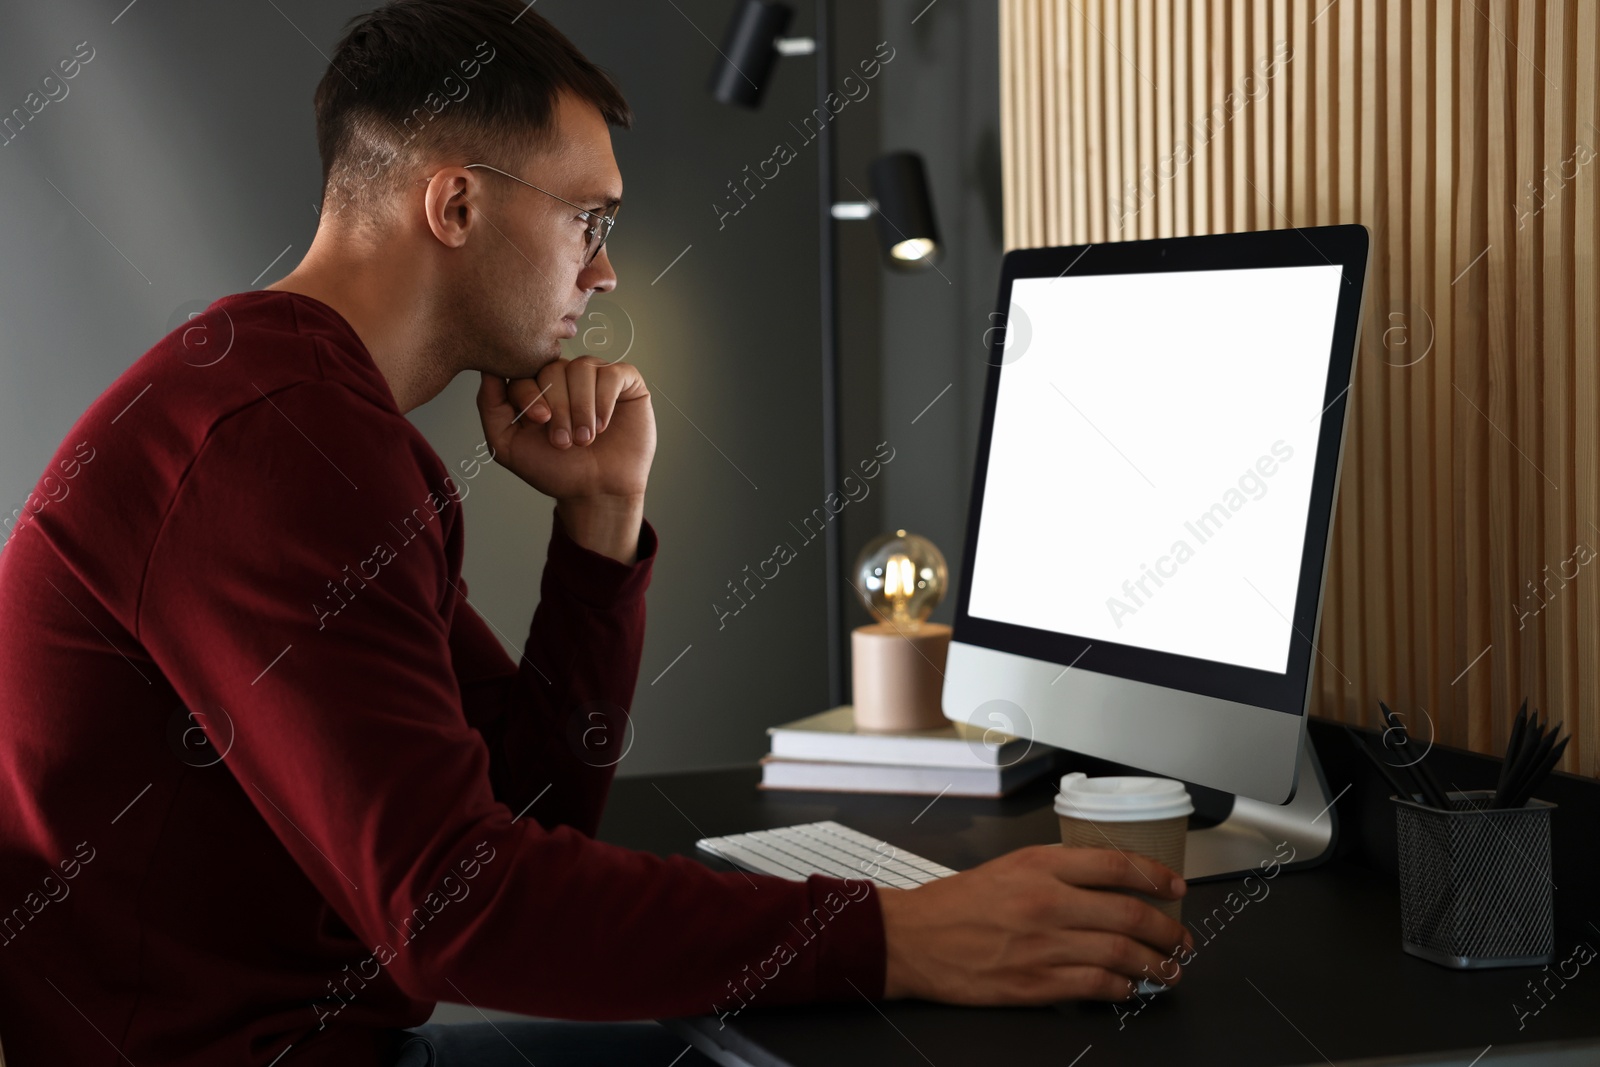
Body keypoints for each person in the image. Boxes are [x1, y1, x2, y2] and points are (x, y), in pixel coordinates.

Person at [0, 2, 1193, 1064]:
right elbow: (460, 914)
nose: (605, 268)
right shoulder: (275, 446)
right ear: (455, 202)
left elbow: (526, 819)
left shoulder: (302, 416)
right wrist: (900, 936)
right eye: (588, 217)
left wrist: (600, 524)